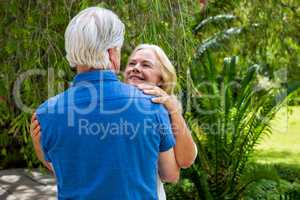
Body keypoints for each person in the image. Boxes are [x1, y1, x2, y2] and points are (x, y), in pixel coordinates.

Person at [30, 7, 180, 200]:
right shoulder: (151, 105)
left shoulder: (46, 114)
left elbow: (67, 174)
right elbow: (170, 174)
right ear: (111, 53)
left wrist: (40, 149)